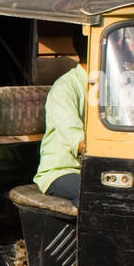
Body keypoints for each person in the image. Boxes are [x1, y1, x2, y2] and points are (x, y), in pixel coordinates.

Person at [33, 31, 90, 201]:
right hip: (63, 171)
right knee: (95, 195)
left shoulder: (111, 86)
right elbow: (78, 142)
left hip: (98, 171)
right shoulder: (65, 88)